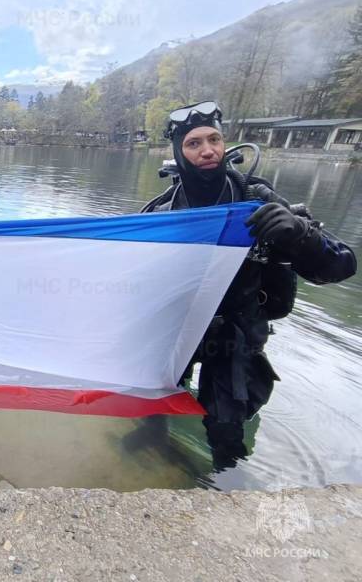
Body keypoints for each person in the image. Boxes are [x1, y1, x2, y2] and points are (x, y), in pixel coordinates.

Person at [142, 101, 357, 468]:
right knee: (150, 402)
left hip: (236, 332)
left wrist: (301, 235)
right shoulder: (162, 213)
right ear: (178, 152)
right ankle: (152, 441)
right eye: (194, 143)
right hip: (179, 330)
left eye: (214, 139)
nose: (208, 149)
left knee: (225, 430)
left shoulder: (258, 202)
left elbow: (342, 266)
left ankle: (225, 485)